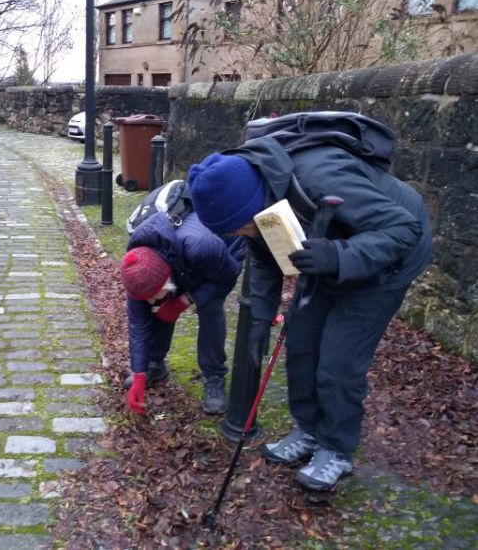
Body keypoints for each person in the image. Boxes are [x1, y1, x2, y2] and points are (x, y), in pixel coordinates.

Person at [187, 111, 431, 491]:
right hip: (328, 251)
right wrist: (261, 322)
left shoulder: (320, 175)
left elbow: (404, 229)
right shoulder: (260, 197)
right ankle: (309, 430)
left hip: (388, 261)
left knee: (337, 362)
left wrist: (337, 256)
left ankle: (336, 448)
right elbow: (265, 253)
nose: (240, 234)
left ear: (256, 203)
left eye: (240, 226)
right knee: (300, 345)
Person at [120, 210, 245, 416]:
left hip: (223, 254)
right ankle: (155, 365)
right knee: (157, 308)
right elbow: (138, 324)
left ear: (166, 280)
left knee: (210, 306)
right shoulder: (138, 269)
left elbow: (227, 278)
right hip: (177, 261)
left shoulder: (201, 248)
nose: (150, 301)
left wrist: (185, 300)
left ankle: (214, 377)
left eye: (153, 294)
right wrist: (139, 373)